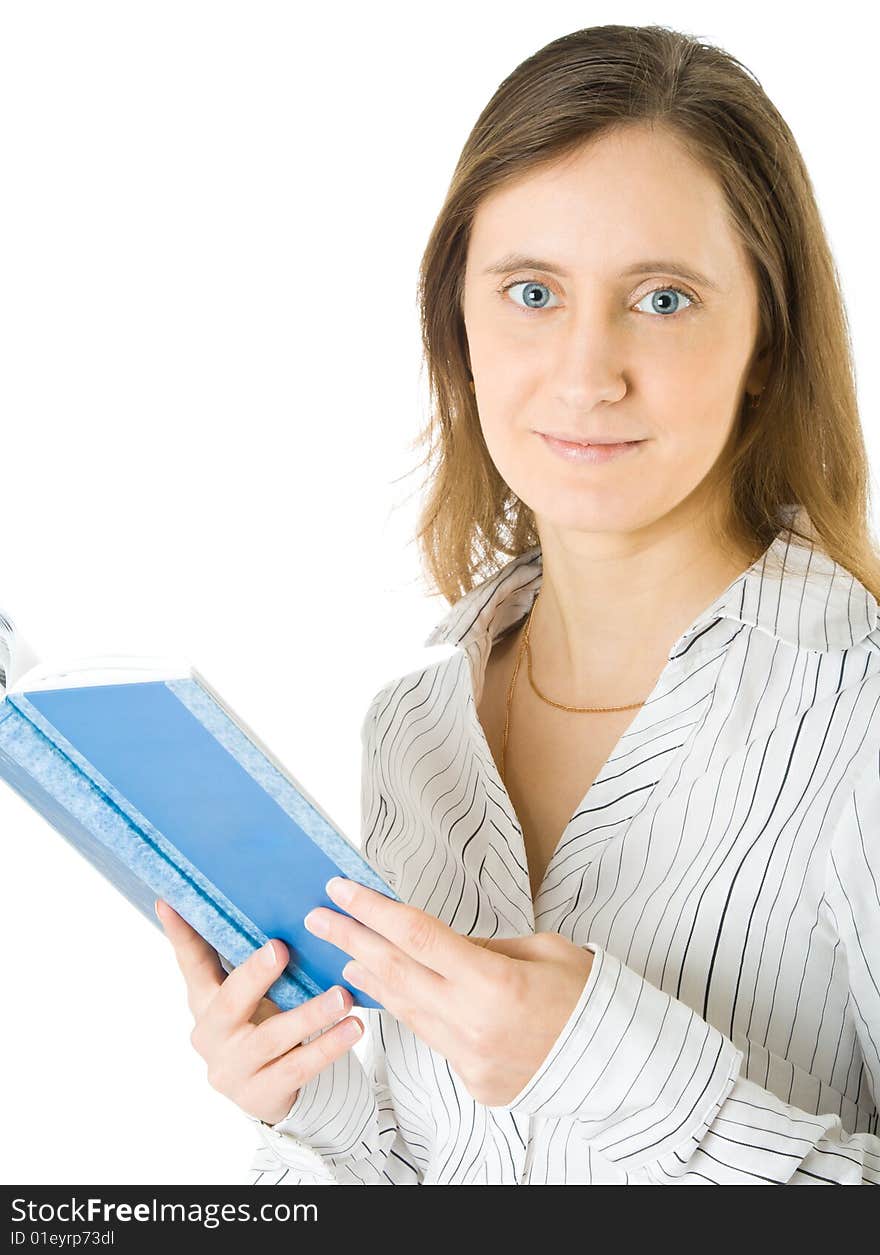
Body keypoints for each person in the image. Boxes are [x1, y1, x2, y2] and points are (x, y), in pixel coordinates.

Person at [157, 23, 880, 1183]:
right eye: (532, 291)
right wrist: (315, 1110)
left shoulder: (860, 720)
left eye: (662, 298)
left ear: (766, 337)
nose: (587, 373)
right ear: (459, 324)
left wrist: (598, 1065)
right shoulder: (415, 731)